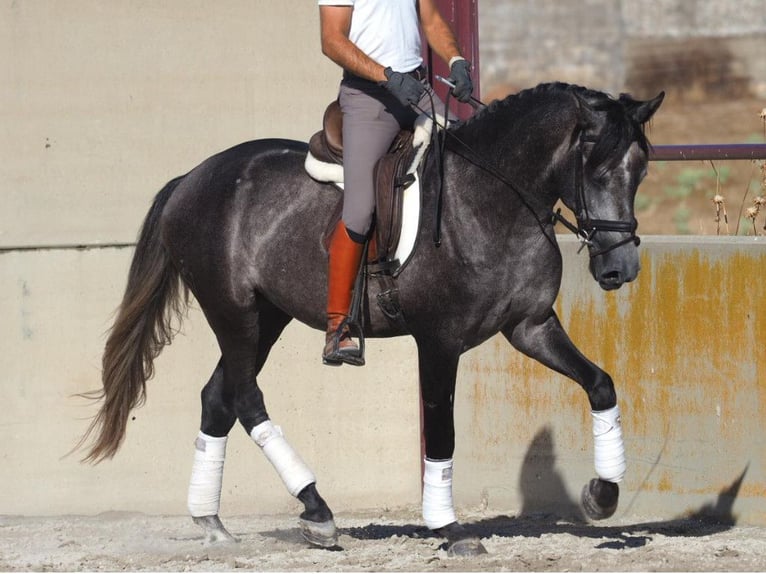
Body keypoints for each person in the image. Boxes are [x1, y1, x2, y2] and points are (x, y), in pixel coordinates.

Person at [318, 0, 474, 366]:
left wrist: (456, 61)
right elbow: (331, 40)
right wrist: (386, 75)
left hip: (417, 91)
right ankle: (337, 327)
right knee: (359, 210)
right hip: (369, 98)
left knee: (466, 165)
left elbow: (432, 19)